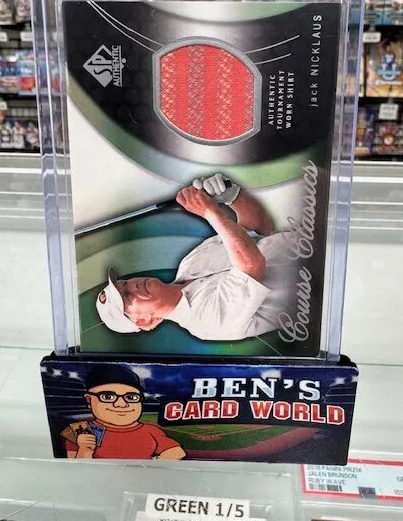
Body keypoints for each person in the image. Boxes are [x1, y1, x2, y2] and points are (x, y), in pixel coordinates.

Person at [96, 173, 298, 341]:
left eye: (124, 283)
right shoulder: (205, 322)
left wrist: (232, 196)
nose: (132, 286)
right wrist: (210, 212)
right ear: (146, 321)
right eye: (127, 296)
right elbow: (251, 263)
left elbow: (260, 227)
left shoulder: (189, 263)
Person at [64, 364, 186, 460]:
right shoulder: (79, 430)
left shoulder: (151, 431)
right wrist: (84, 450)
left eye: (131, 397)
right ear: (89, 400)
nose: (121, 404)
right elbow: (75, 470)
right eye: (108, 396)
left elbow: (177, 452)